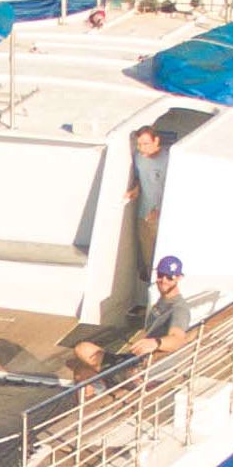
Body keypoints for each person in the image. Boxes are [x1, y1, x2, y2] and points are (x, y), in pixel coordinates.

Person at [69, 255, 196, 380]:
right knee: (80, 370)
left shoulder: (179, 309)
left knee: (83, 349)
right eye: (160, 275)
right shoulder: (163, 300)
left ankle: (117, 380)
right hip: (136, 358)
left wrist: (155, 343)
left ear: (179, 278)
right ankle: (102, 386)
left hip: (144, 366)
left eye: (170, 277)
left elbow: (178, 339)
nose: (164, 280)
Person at [126, 124, 170, 278]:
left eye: (146, 144)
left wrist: (158, 210)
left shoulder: (167, 161)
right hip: (143, 213)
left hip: (160, 215)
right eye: (139, 144)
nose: (142, 148)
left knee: (160, 254)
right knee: (146, 253)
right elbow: (140, 179)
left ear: (156, 141)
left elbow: (170, 188)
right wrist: (135, 190)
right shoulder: (138, 157)